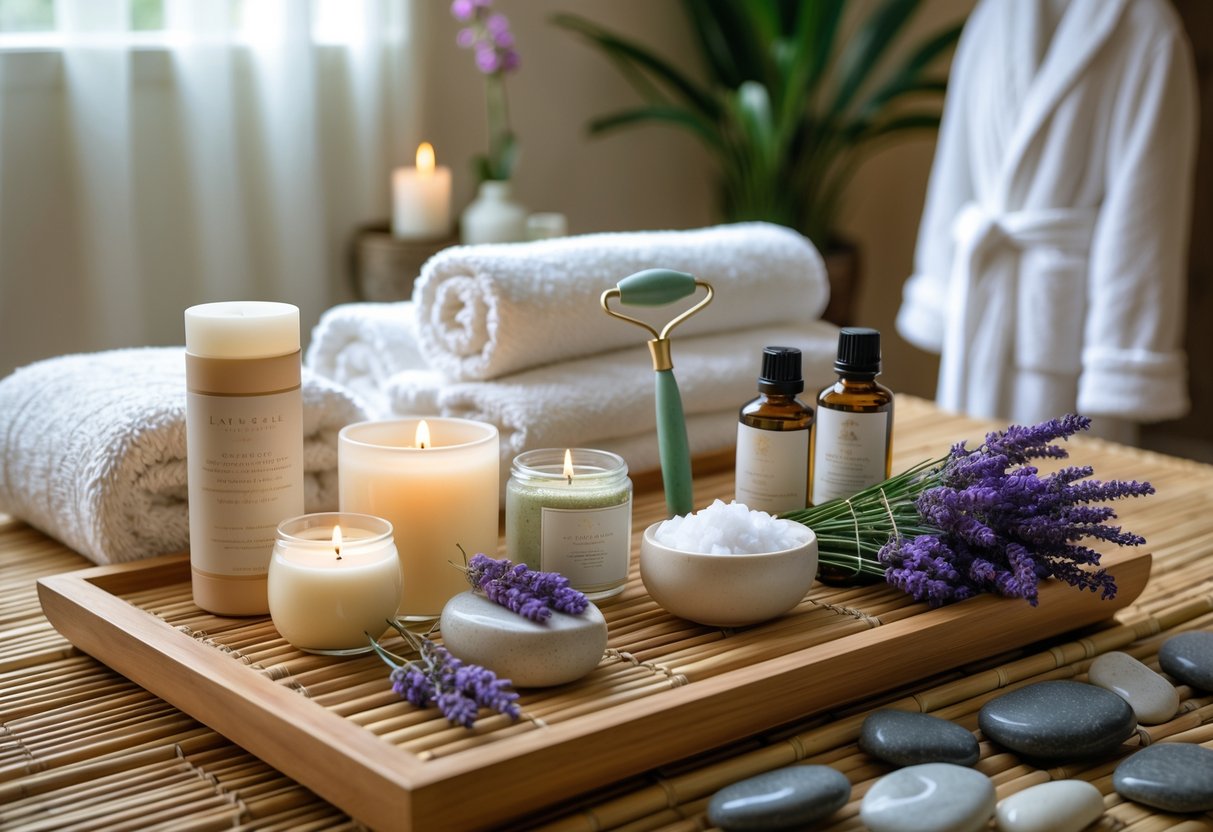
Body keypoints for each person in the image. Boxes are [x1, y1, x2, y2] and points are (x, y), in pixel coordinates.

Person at [896, 0, 1198, 442]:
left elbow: (1144, 217)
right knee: (964, 485)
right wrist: (940, 291)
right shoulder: (992, 16)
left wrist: (1121, 360)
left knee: (1066, 491)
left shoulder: (1145, 26)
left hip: (1069, 331)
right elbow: (956, 166)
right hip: (984, 295)